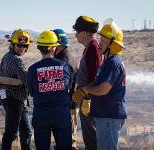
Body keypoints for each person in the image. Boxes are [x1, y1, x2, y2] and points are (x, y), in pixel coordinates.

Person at [73, 18, 127, 150]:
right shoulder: (111, 61)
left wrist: (85, 91)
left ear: (112, 44)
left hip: (109, 115)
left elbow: (104, 88)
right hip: (106, 113)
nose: (100, 43)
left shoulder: (113, 62)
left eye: (103, 41)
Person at [27, 30, 72, 150]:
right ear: (54, 47)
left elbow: (31, 92)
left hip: (41, 115)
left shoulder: (32, 69)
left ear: (39, 48)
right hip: (61, 115)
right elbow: (68, 87)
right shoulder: (64, 66)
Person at [0, 29, 32, 150]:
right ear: (12, 44)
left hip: (16, 99)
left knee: (26, 132)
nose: (22, 48)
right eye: (19, 45)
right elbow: (26, 78)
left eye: (24, 46)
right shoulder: (14, 59)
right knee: (11, 133)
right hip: (14, 99)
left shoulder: (8, 56)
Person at [72, 16, 101, 150]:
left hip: (89, 101)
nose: (76, 34)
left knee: (91, 137)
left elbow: (95, 78)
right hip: (86, 99)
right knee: (89, 136)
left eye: (77, 32)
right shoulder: (89, 48)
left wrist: (86, 97)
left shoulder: (93, 48)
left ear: (84, 33)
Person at [52, 28, 78, 150]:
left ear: (59, 44)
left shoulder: (63, 62)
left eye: (53, 45)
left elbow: (62, 87)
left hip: (67, 106)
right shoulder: (65, 57)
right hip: (68, 105)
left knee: (68, 141)